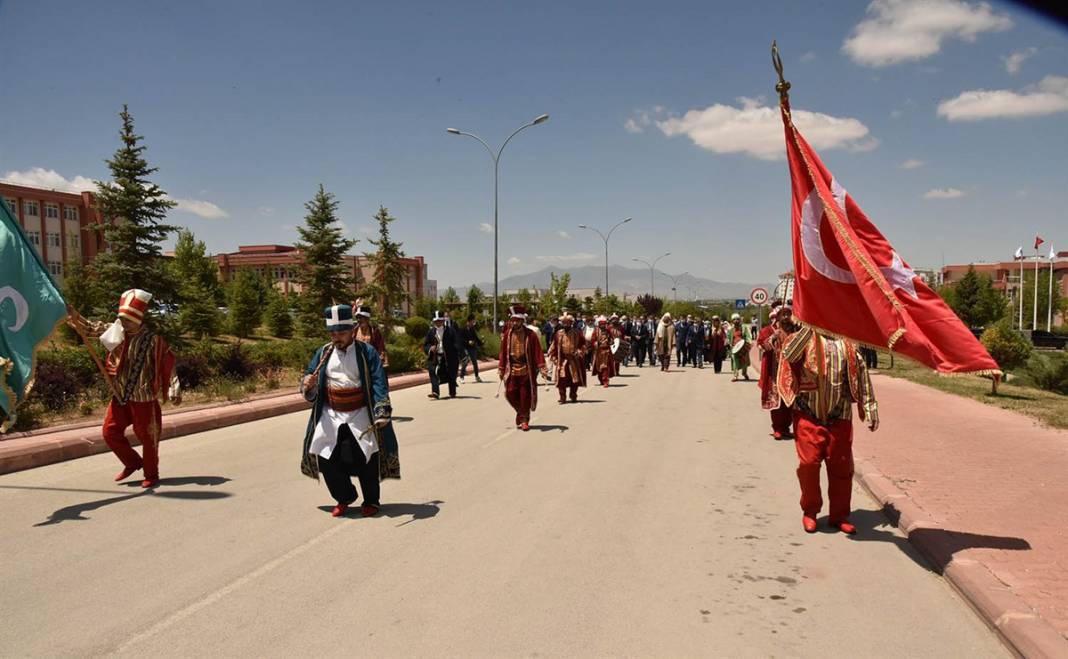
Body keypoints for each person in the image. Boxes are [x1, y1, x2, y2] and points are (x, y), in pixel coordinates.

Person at [67, 289, 180, 488]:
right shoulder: (116, 331)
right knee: (109, 432)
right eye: (122, 318)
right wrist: (73, 315)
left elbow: (167, 363)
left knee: (148, 438)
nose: (123, 322)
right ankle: (133, 462)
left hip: (144, 398)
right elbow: (91, 328)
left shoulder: (153, 341)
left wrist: (174, 387)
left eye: (128, 319)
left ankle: (151, 474)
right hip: (120, 395)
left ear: (138, 319)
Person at [299, 304, 400, 518]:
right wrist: (308, 383)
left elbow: (378, 381)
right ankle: (344, 496)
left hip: (359, 412)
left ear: (351, 331)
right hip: (331, 413)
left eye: (341, 333)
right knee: (325, 456)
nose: (336, 337)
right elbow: (309, 375)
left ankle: (371, 501)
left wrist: (381, 408)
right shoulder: (323, 352)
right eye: (333, 333)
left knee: (365, 456)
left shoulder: (366, 352)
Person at [778, 324, 879, 534]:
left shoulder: (847, 343)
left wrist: (870, 408)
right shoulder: (803, 338)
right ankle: (810, 511)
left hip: (840, 415)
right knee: (808, 465)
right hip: (808, 414)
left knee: (841, 468)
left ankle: (839, 515)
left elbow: (862, 374)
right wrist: (809, 325)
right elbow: (790, 355)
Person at [497, 305, 548, 430]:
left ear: (522, 321)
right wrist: (501, 368)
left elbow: (537, 351)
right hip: (512, 369)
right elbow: (503, 353)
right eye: (513, 320)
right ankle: (522, 413)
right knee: (510, 393)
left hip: (526, 370)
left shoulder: (531, 335)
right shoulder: (507, 335)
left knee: (525, 396)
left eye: (517, 320)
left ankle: (524, 420)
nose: (514, 323)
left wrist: (542, 367)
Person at [758, 302, 793, 440]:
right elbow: (763, 346)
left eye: (788, 314)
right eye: (783, 314)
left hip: (790, 373)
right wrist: (773, 337)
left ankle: (786, 428)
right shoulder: (768, 330)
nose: (786, 317)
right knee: (776, 402)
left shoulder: (795, 330)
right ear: (777, 316)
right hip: (775, 373)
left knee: (789, 402)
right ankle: (777, 428)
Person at [547, 311, 587, 403]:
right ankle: (562, 397)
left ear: (571, 323)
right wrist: (553, 357)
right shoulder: (558, 334)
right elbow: (554, 346)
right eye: (563, 322)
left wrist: (580, 351)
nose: (565, 324)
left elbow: (583, 345)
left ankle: (573, 396)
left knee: (574, 380)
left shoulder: (577, 333)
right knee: (561, 380)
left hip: (573, 360)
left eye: (567, 322)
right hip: (562, 360)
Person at [424, 310, 459, 399]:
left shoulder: (450, 331)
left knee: (451, 373)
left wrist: (455, 351)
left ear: (443, 320)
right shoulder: (431, 332)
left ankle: (452, 392)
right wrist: (430, 348)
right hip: (435, 357)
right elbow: (426, 345)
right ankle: (435, 392)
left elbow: (457, 342)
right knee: (432, 372)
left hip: (448, 356)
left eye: (439, 320)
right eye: (436, 321)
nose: (438, 323)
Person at [351, 302, 388, 369]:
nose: (359, 320)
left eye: (361, 318)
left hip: (371, 364)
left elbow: (380, 348)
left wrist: (380, 359)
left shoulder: (375, 331)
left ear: (367, 319)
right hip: (356, 364)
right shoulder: (354, 331)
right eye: (357, 318)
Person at [589, 316, 616, 387]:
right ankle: (601, 380)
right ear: (599, 324)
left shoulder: (608, 331)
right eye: (601, 324)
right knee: (599, 368)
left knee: (605, 367)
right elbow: (592, 340)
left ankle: (606, 381)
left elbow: (612, 340)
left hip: (606, 351)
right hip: (598, 352)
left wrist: (610, 341)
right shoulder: (596, 331)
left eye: (604, 324)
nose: (603, 325)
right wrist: (596, 343)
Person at [459, 314, 484, 383]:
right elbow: (460, 339)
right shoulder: (463, 329)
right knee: (466, 361)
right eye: (473, 321)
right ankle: (461, 377)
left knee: (474, 362)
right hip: (465, 348)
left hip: (472, 348)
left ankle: (477, 377)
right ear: (469, 321)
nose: (473, 323)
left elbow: (476, 337)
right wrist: (468, 342)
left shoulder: (472, 329)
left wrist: (481, 343)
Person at [728, 313, 752, 381]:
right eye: (734, 319)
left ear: (739, 320)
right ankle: (735, 375)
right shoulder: (731, 330)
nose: (736, 321)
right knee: (735, 361)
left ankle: (744, 373)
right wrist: (730, 344)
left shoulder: (744, 328)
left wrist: (748, 343)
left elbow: (748, 336)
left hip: (743, 347)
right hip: (735, 348)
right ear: (732, 321)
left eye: (737, 319)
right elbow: (729, 338)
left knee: (744, 361)